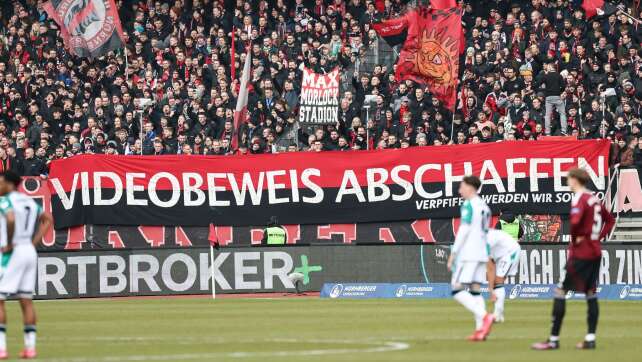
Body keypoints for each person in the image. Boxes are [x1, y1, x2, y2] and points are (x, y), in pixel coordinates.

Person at [532, 168, 615, 351]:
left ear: (575, 180)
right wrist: (597, 238)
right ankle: (590, 338)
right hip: (594, 251)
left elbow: (576, 222)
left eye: (568, 179)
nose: (567, 182)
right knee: (591, 293)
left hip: (581, 253)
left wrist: (578, 236)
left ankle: (553, 340)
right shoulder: (594, 199)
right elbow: (610, 220)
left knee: (560, 291)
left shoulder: (579, 198)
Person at [0, 170, 53, 359]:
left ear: (9, 184)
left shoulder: (5, 201)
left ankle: (2, 348)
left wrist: (9, 242)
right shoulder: (29, 201)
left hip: (11, 252)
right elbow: (48, 219)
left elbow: (11, 218)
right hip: (28, 251)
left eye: (1, 182)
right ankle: (30, 348)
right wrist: (33, 242)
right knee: (26, 301)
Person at [447, 175, 494, 341]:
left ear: (470, 187)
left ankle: (485, 316)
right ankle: (480, 330)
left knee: (456, 289)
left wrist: (453, 253)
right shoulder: (484, 206)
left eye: (462, 186)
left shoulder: (468, 204)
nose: (459, 190)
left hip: (469, 253)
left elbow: (464, 230)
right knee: (475, 290)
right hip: (481, 251)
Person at [486, 229, 521, 323]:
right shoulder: (482, 238)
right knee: (497, 282)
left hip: (511, 252)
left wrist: (491, 290)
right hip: (503, 255)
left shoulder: (485, 241)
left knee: (498, 281)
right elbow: (490, 266)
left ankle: (497, 315)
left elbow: (490, 268)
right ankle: (499, 315)